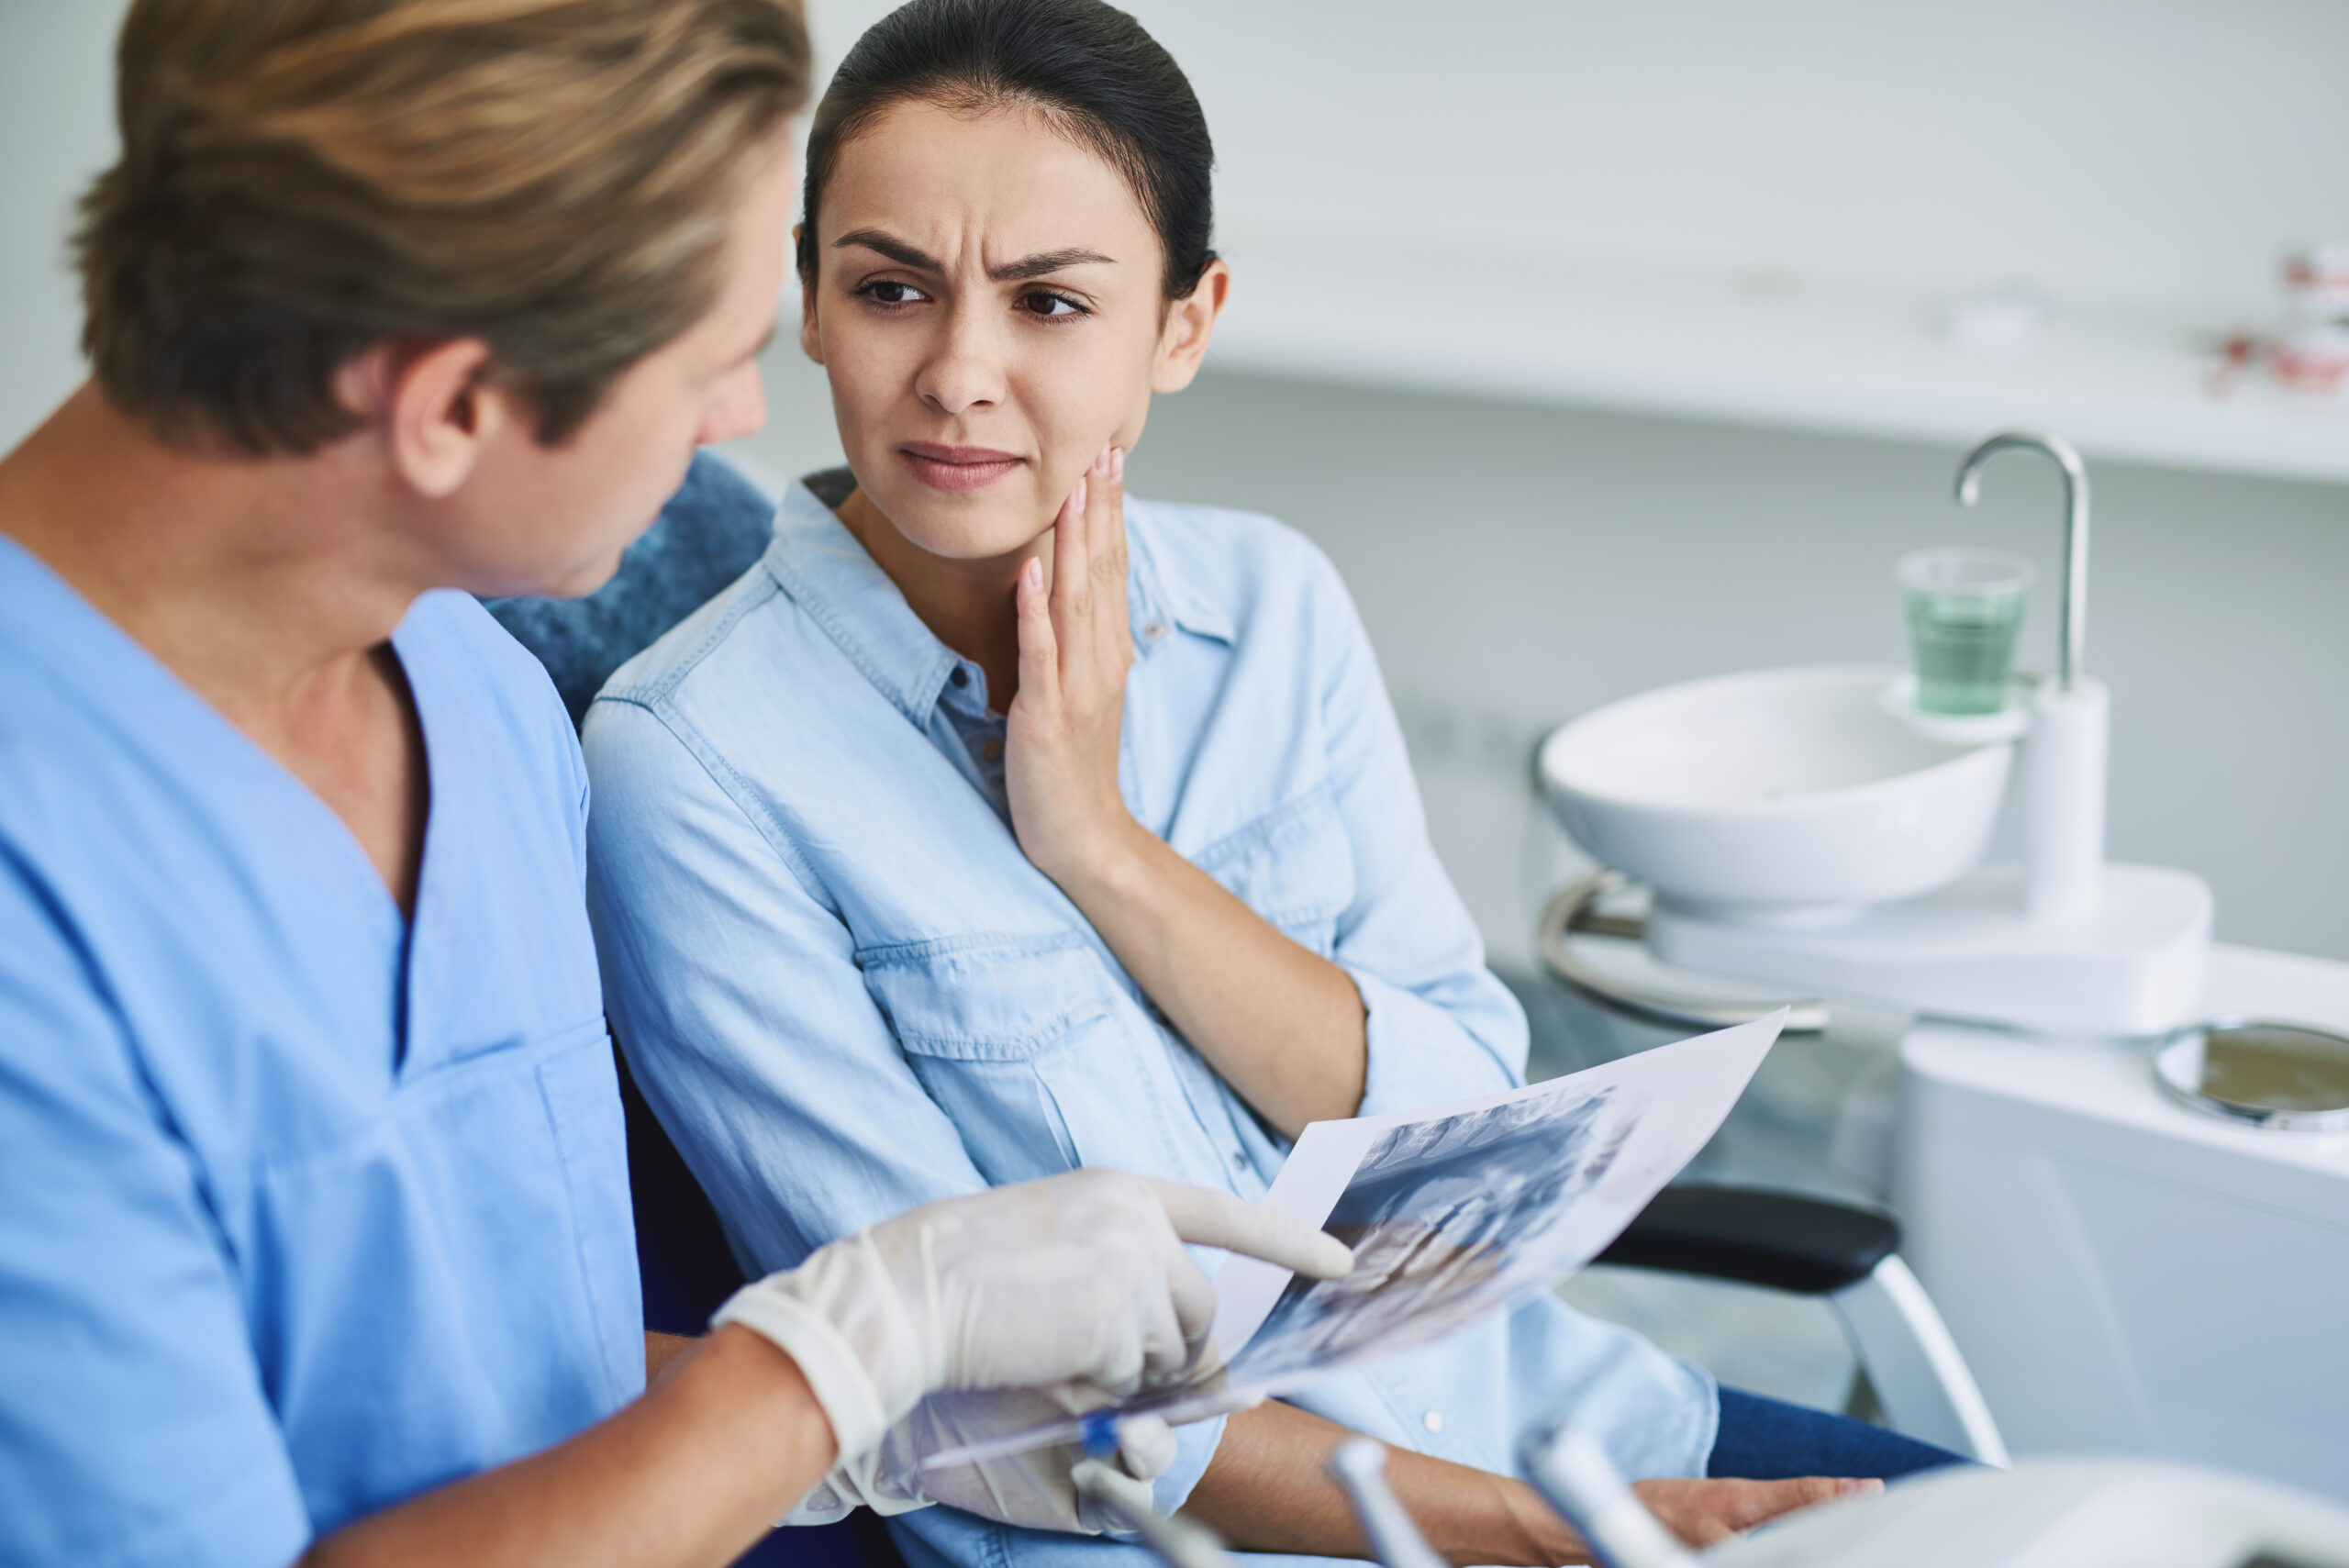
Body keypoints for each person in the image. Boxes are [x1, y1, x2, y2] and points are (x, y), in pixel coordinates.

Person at [581, 3, 1965, 1567]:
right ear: (813, 303)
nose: (958, 374)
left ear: (1183, 324)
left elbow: (1464, 1123)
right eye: (891, 288)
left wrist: (1098, 842)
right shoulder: (691, 763)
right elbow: (962, 1387)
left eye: (1049, 303)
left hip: (1548, 1415)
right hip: (1181, 1533)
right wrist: (1547, 1537)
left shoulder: (1274, 609)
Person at [0, 4, 1354, 1566]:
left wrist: (919, 1392)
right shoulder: (48, 906)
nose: (738, 427)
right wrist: (842, 1345)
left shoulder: (482, 698)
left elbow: (514, 1385)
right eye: (712, 363)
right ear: (449, 406)